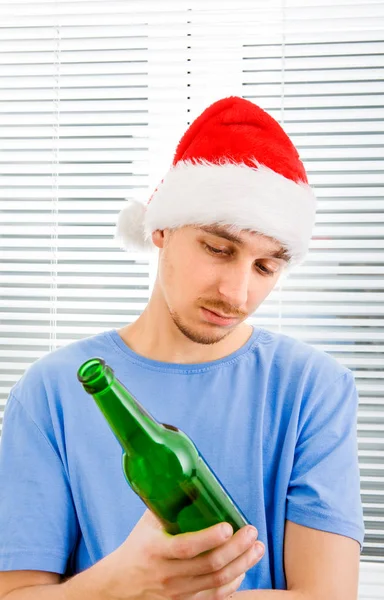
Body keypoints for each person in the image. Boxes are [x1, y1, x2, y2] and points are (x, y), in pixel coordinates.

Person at [0, 96, 364, 600]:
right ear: (162, 230)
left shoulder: (313, 388)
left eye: (265, 267)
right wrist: (123, 582)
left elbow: (328, 596)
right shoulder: (50, 391)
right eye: (218, 249)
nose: (237, 294)